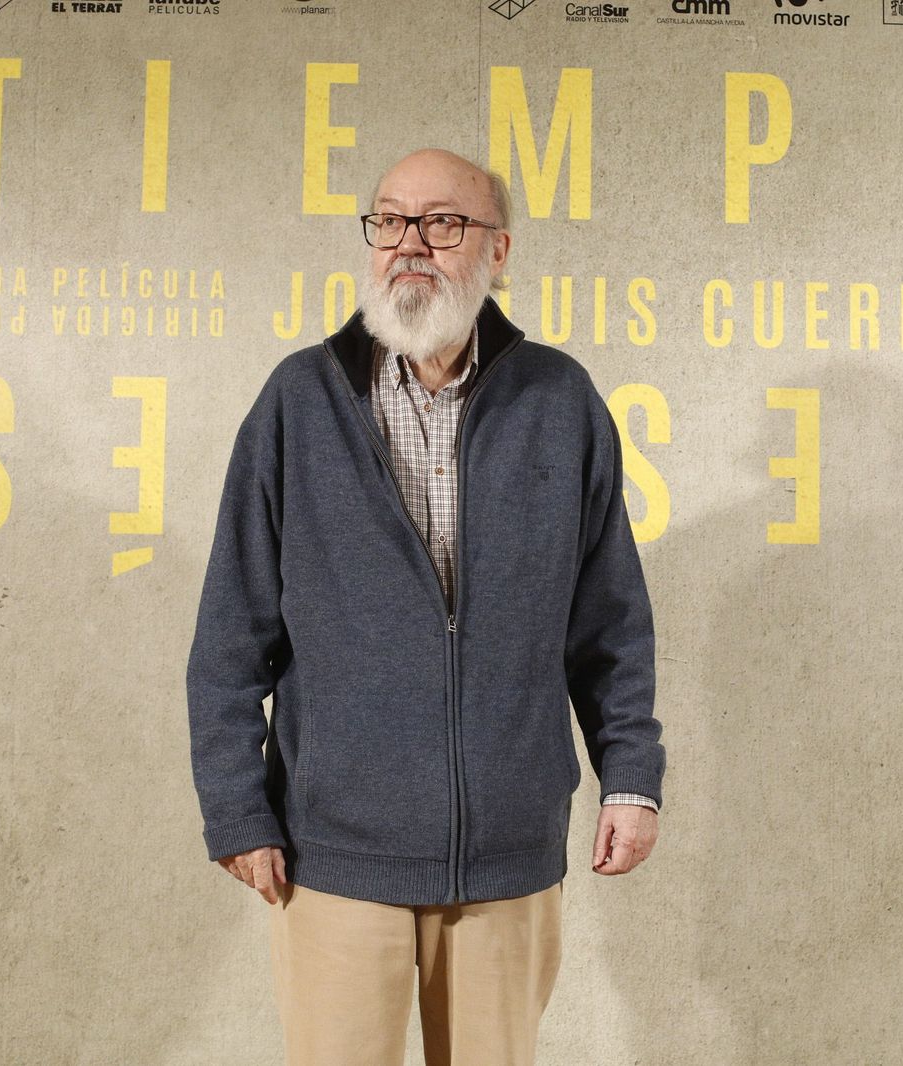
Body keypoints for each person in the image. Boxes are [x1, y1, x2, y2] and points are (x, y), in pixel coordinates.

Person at [185, 147, 668, 1066]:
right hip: (334, 849)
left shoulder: (560, 401)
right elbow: (228, 633)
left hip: (508, 853)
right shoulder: (299, 400)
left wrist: (632, 774)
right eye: (390, 222)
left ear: (498, 251)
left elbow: (610, 622)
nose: (411, 244)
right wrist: (236, 808)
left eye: (443, 224)